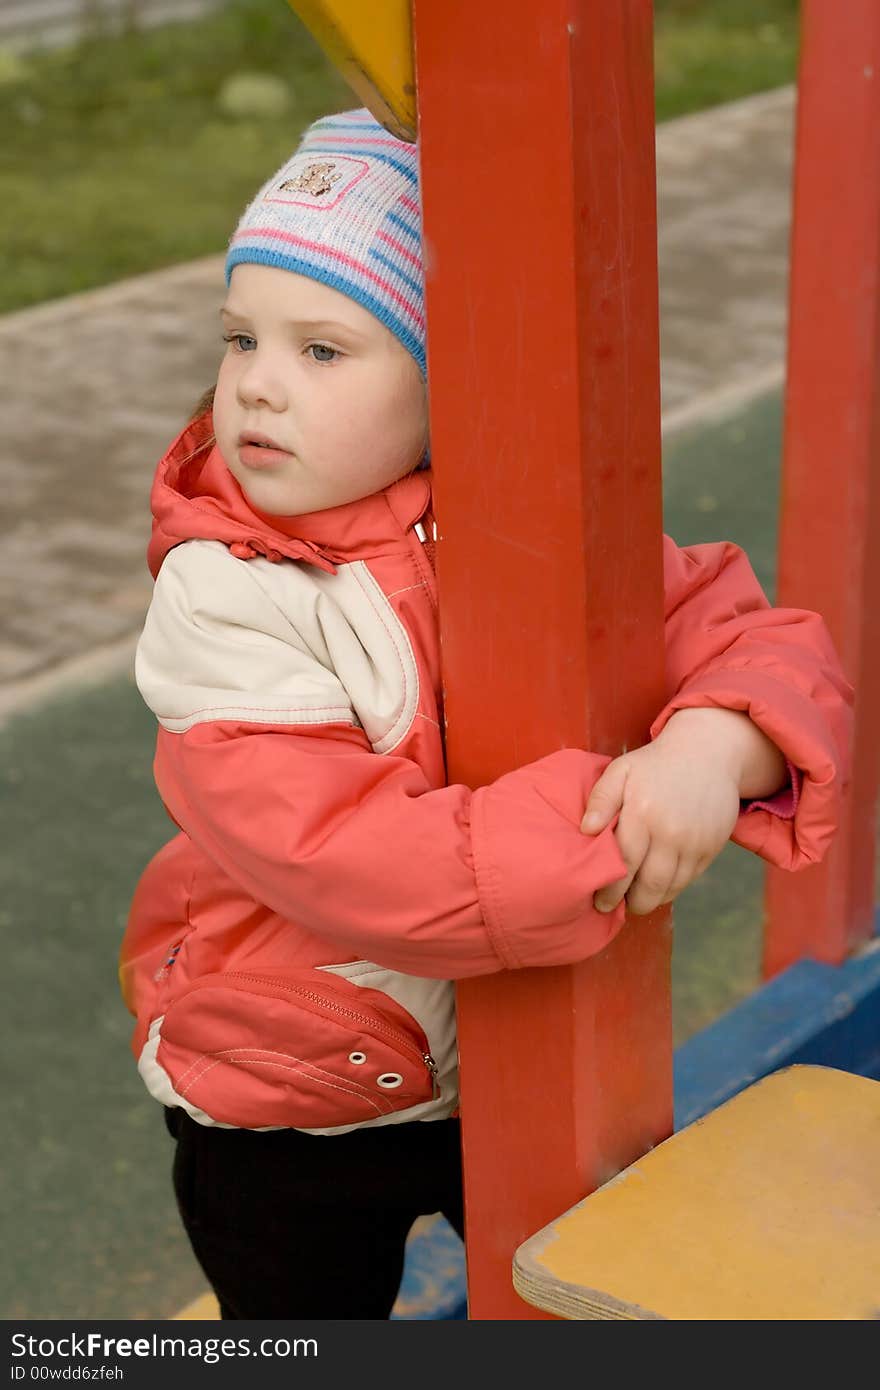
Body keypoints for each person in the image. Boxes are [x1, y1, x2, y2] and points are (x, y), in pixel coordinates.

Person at [119, 108, 852, 1319]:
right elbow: (346, 853)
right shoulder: (223, 594)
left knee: (561, 1287)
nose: (255, 383)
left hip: (510, 1064)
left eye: (322, 351)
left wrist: (712, 743)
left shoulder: (529, 527)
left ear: (447, 376)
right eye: (241, 337)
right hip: (284, 1093)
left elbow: (754, 639)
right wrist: (615, 830)